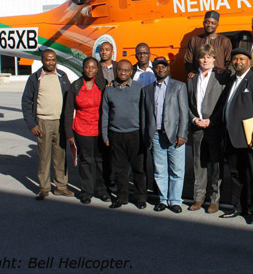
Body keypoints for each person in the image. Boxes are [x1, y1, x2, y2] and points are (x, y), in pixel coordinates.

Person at [220, 48, 253, 224]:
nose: (238, 62)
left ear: (249, 61)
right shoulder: (232, 81)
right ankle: (238, 206)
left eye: (241, 59)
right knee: (235, 174)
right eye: (235, 59)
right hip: (232, 137)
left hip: (249, 138)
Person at [21, 49, 72, 200]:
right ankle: (44, 188)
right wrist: (31, 124)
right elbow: (26, 101)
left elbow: (70, 98)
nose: (50, 62)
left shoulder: (62, 76)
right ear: (42, 61)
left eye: (53, 60)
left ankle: (61, 186)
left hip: (60, 122)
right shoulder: (35, 78)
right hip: (43, 122)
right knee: (44, 157)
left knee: (61, 156)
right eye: (47, 60)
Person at [142, 57, 189, 214]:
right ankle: (163, 199)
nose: (160, 69)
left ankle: (175, 201)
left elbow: (184, 113)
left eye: (163, 66)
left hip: (175, 135)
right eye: (157, 67)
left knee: (177, 170)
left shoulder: (179, 86)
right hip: (156, 135)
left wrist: (182, 133)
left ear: (168, 69)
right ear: (154, 70)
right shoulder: (147, 90)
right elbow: (145, 115)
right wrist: (147, 137)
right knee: (160, 170)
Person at [187, 44, 228, 213]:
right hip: (197, 127)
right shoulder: (191, 78)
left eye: (208, 57)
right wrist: (194, 119)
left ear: (214, 59)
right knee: (199, 163)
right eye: (202, 57)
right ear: (198, 59)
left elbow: (224, 103)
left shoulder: (221, 77)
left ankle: (215, 199)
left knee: (216, 165)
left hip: (214, 127)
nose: (205, 60)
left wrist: (212, 120)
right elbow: (187, 103)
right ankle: (198, 197)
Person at [101, 60, 147, 209]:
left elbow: (145, 113)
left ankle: (140, 198)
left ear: (131, 72)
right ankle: (122, 197)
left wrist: (145, 135)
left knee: (138, 169)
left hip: (135, 134)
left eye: (126, 70)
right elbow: (105, 114)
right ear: (116, 70)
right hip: (116, 134)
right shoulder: (109, 90)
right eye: (120, 70)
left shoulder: (140, 88)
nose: (123, 73)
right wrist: (105, 135)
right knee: (120, 170)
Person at [63, 57, 109, 204]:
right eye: (87, 67)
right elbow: (68, 111)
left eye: (93, 67)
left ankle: (102, 190)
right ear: (83, 68)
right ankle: (86, 191)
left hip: (100, 130)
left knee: (102, 161)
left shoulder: (102, 84)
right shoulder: (76, 86)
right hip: (82, 130)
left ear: (97, 69)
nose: (90, 70)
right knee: (86, 161)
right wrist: (69, 133)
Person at [184, 11, 232, 78]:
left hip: (218, 78)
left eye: (213, 23)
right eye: (207, 22)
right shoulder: (194, 40)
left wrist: (224, 71)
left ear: (217, 25)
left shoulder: (224, 41)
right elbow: (188, 61)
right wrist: (191, 71)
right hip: (199, 77)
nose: (209, 25)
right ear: (203, 23)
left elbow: (229, 61)